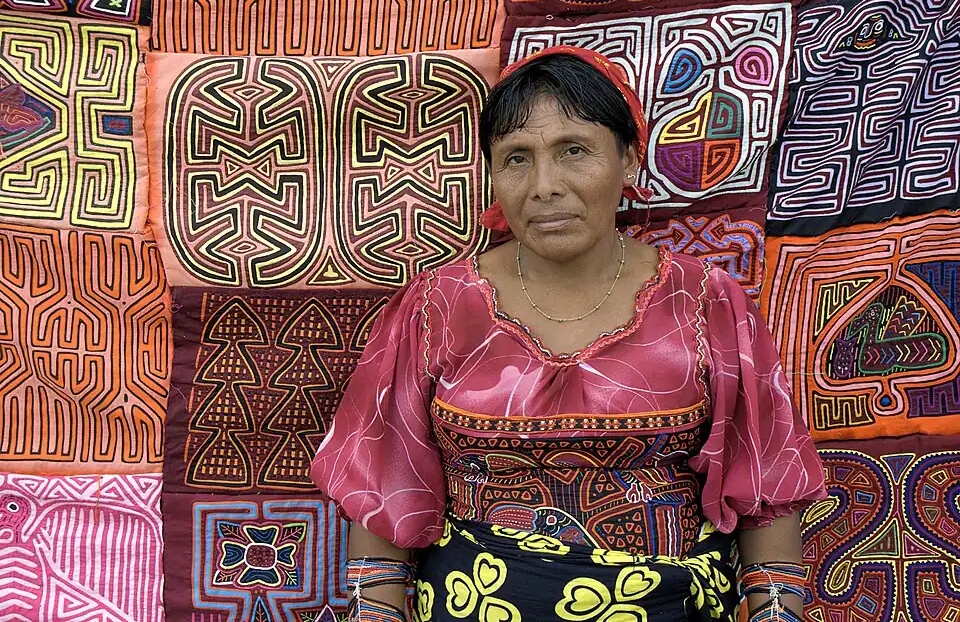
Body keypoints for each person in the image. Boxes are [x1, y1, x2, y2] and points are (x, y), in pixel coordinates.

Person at [311, 46, 827, 622]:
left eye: (574, 151)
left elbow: (765, 481)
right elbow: (383, 484)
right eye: (516, 159)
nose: (543, 185)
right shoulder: (439, 305)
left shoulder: (704, 301)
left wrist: (776, 610)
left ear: (629, 159)